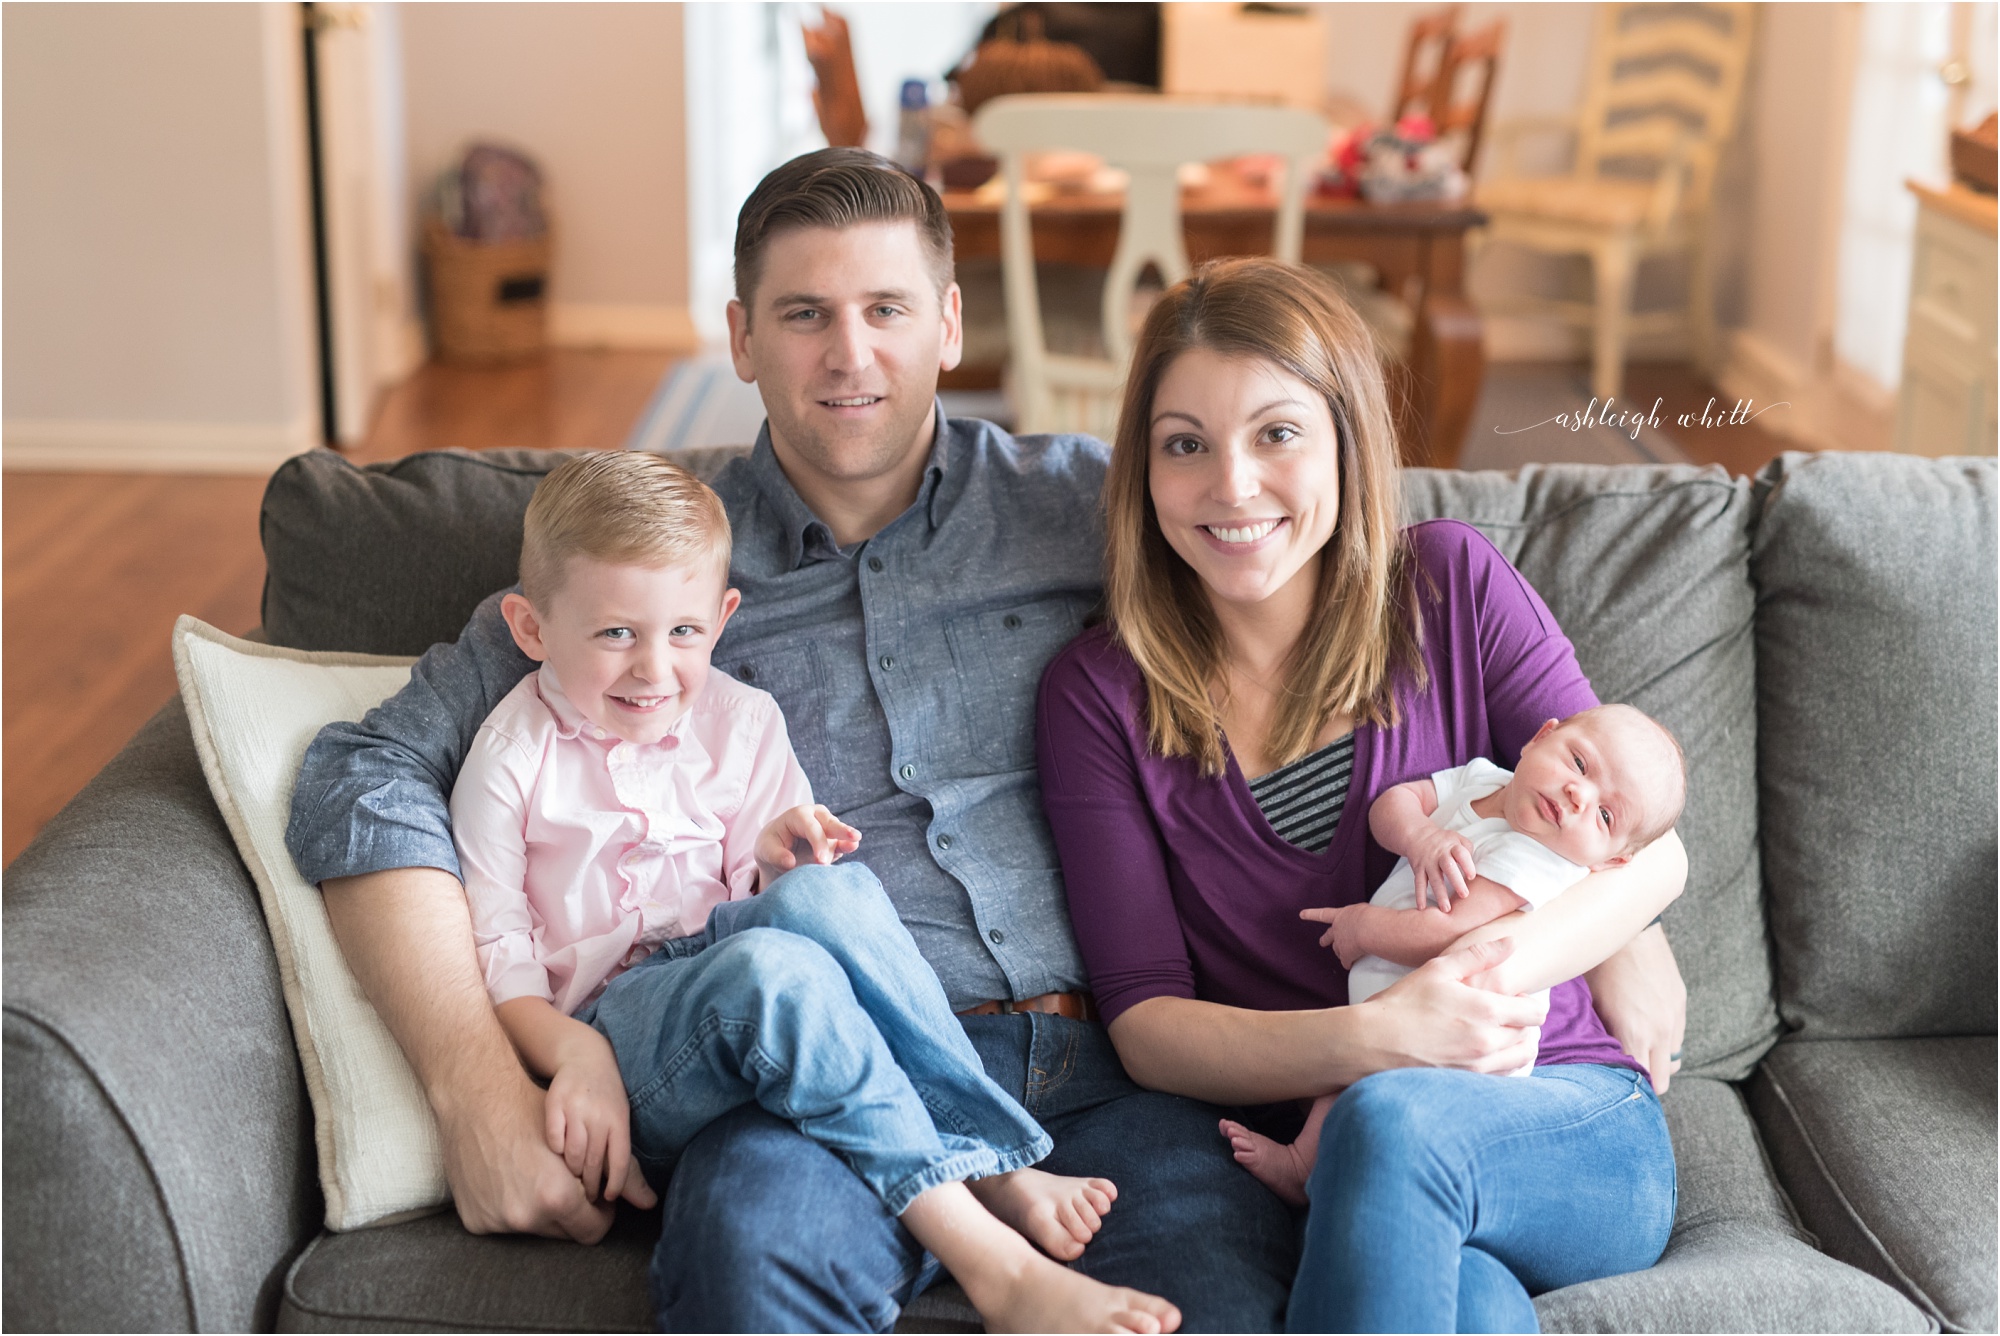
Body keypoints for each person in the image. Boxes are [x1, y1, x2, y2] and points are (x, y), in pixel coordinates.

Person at [286, 148, 1686, 1332]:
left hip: (1110, 1071)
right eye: (805, 316)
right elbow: (364, 772)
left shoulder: (1115, 503)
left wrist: (1609, 912)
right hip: (839, 1071)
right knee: (743, 1244)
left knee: (1229, 1290)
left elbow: (1355, 574)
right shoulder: (652, 571)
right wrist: (475, 1083)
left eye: (889, 308)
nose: (852, 356)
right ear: (738, 335)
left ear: (951, 323)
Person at [1036, 255, 1684, 1332]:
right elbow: (1147, 1026)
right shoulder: (1098, 695)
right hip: (1333, 1147)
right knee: (1469, 1305)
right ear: (1141, 474)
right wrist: (1388, 1034)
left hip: (1566, 1113)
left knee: (1394, 1129)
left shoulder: (1449, 584)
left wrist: (1590, 946)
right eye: (1183, 443)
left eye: (1276, 433)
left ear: (1345, 440)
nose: (1231, 485)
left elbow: (1647, 845)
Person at [449, 450, 1176, 1333]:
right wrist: (573, 1055)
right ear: (530, 628)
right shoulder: (509, 758)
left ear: (722, 618)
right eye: (613, 635)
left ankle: (990, 1154)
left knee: (828, 896)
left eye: (682, 633)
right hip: (620, 1042)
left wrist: (779, 861)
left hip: (744, 981)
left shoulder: (739, 719)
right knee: (770, 971)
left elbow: (766, 902)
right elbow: (499, 958)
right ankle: (997, 1259)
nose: (652, 670)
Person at [1222, 704, 1688, 1204]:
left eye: (1604, 815)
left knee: (1370, 1089)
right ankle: (1308, 1164)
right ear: (1540, 736)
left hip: (1466, 1038)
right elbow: (1394, 802)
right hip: (1400, 1011)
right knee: (1353, 1067)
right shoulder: (1482, 778)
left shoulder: (1541, 860)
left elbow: (1448, 930)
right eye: (1579, 763)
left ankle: (1302, 1166)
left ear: (1611, 861)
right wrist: (1420, 835)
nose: (1579, 795)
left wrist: (1365, 929)